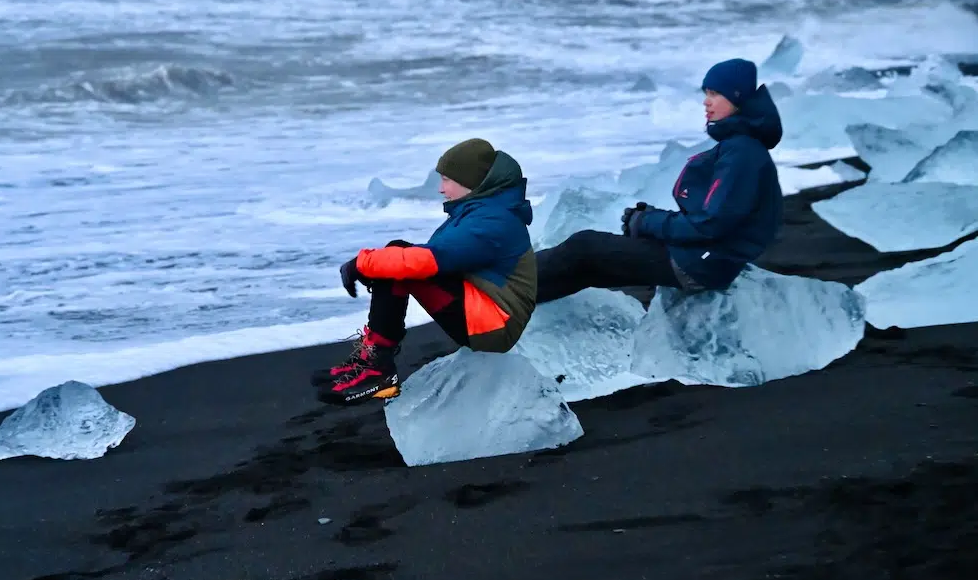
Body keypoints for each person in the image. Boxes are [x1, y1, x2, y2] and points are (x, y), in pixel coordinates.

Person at [535, 58, 784, 303]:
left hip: (702, 264)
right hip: (707, 259)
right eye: (706, 93)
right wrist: (649, 218)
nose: (706, 102)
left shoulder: (742, 152)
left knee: (585, 245)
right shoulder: (742, 148)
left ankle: (504, 280)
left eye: (716, 94)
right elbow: (714, 218)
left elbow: (710, 224)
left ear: (737, 97)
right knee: (590, 268)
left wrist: (647, 222)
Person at [313, 138, 537, 405]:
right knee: (395, 258)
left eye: (446, 180)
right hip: (485, 310)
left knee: (397, 261)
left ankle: (377, 369)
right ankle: (371, 360)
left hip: (494, 324)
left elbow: (429, 260)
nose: (441, 189)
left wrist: (361, 264)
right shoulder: (483, 211)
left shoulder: (492, 221)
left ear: (470, 181)